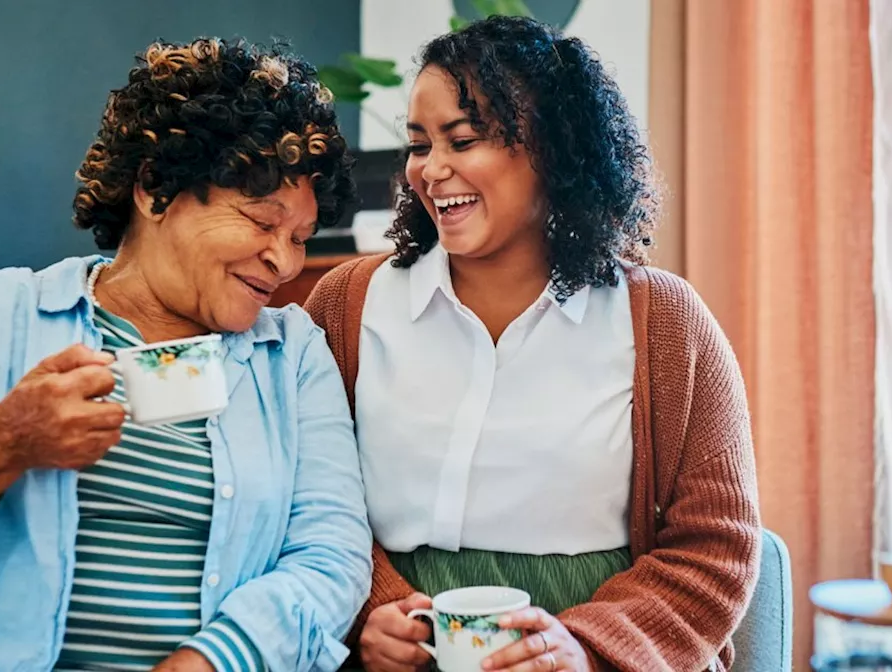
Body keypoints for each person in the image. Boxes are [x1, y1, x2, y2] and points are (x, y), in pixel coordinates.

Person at [0, 37, 371, 672]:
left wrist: (215, 660)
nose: (285, 262)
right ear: (155, 191)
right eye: (262, 222)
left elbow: (329, 557)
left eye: (300, 238)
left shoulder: (290, 355)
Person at [305, 16, 760, 672]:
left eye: (462, 140)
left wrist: (588, 649)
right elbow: (308, 504)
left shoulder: (664, 323)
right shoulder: (347, 307)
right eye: (418, 144)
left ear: (552, 148)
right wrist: (369, 612)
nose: (431, 170)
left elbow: (716, 548)